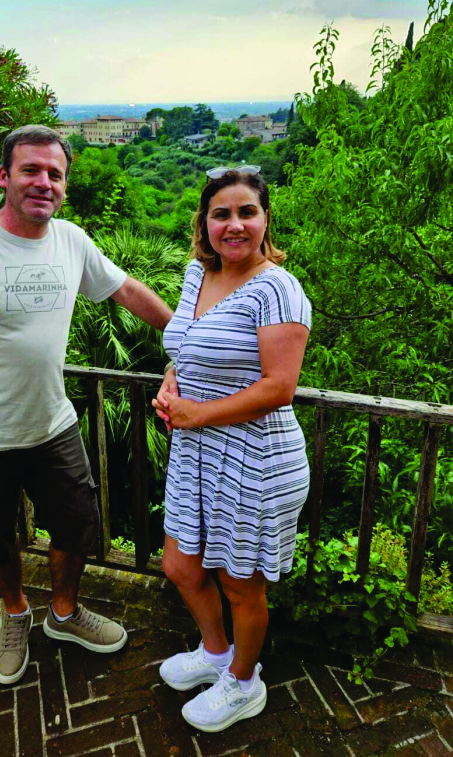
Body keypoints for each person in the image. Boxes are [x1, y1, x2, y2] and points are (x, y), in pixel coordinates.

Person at [0, 124, 173, 686]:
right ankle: (16, 611)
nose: (44, 182)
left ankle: (64, 614)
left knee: (78, 525)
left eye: (55, 174)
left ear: (65, 185)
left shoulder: (71, 240)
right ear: (4, 176)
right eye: (31, 170)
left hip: (53, 426)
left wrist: (188, 337)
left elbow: (126, 290)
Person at [152, 166, 311, 733]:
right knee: (180, 563)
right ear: (206, 223)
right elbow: (189, 346)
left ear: (265, 221)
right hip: (197, 455)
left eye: (247, 212)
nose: (234, 225)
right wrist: (173, 381)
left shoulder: (277, 288)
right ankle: (216, 654)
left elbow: (279, 387)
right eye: (222, 213)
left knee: (241, 581)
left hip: (256, 458)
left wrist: (199, 413)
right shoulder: (199, 275)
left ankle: (245, 683)